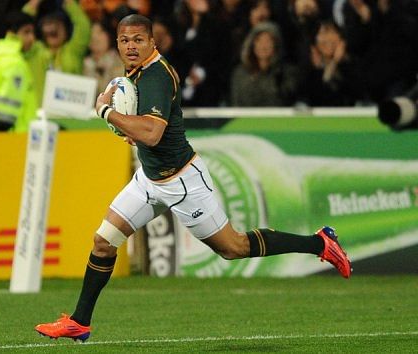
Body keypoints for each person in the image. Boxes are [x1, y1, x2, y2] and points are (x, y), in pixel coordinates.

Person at [35, 14, 352, 342]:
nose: (131, 46)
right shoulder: (136, 72)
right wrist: (131, 128)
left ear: (152, 42)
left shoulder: (156, 76)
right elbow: (148, 129)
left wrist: (107, 113)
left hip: (182, 182)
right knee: (104, 241)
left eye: (138, 40)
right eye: (125, 40)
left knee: (234, 247)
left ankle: (321, 243)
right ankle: (80, 322)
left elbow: (154, 134)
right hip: (150, 179)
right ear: (117, 43)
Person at [22, 0, 91, 106]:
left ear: (66, 30)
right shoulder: (34, 51)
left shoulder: (73, 50)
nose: (52, 29)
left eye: (57, 25)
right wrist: (34, 3)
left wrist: (69, 3)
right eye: (47, 25)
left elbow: (83, 25)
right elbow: (21, 26)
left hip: (70, 114)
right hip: (39, 116)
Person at [230, 21, 298, 106]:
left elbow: (286, 101)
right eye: (259, 40)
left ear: (276, 44)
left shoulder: (287, 73)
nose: (263, 46)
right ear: (252, 44)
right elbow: (236, 105)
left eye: (268, 41)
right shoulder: (240, 73)